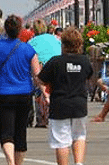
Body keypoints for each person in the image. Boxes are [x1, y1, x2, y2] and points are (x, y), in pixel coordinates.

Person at [0, 15, 42, 165]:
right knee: (21, 132)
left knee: (7, 132)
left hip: (2, 94)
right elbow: (37, 74)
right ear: (20, 30)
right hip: (24, 94)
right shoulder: (28, 48)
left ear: (5, 31)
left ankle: (10, 162)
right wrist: (43, 92)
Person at [38, 28, 93, 165]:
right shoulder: (84, 61)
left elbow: (41, 80)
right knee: (79, 135)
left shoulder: (55, 61)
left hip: (59, 105)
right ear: (79, 45)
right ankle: (79, 163)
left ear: (63, 44)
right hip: (79, 104)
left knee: (61, 141)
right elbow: (89, 77)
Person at [28, 19, 61, 128]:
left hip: (41, 69)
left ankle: (41, 119)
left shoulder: (32, 42)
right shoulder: (55, 39)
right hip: (56, 68)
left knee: (38, 91)